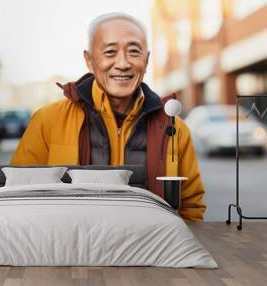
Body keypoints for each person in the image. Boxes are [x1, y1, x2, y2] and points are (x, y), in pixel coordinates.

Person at [10, 13, 205, 221]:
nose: (122, 63)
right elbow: (17, 198)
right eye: (110, 52)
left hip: (149, 250)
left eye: (133, 51)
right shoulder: (47, 121)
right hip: (71, 250)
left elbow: (190, 208)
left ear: (146, 60)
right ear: (89, 60)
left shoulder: (174, 129)